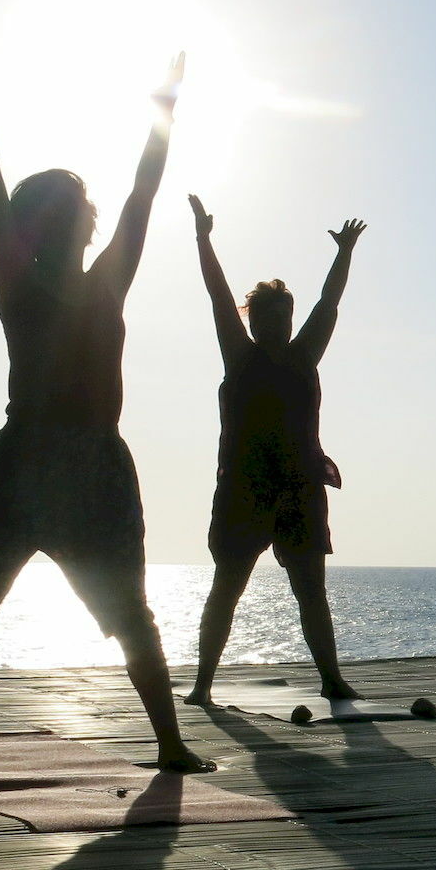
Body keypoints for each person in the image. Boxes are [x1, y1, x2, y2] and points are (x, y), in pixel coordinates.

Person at [0, 15, 212, 783]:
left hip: (90, 465)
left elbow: (141, 196)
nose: (84, 217)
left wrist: (167, 108)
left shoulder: (106, 278)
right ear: (46, 225)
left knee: (130, 616)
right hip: (23, 463)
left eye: (80, 208)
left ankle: (172, 744)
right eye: (70, 208)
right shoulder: (18, 279)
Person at [182, 196, 365, 708]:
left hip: (300, 489)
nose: (278, 323)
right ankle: (202, 685)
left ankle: (332, 679)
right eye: (268, 316)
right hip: (245, 489)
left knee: (311, 592)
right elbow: (218, 298)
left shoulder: (305, 354)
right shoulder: (239, 354)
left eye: (284, 315)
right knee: (227, 588)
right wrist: (203, 239)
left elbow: (328, 304)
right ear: (254, 319)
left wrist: (344, 252)